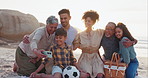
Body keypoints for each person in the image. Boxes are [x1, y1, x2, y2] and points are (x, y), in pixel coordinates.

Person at [73, 10, 104, 78]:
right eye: (86, 21)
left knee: (100, 74)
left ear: (93, 22)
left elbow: (111, 34)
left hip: (96, 57)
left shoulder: (99, 32)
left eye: (89, 21)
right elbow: (74, 47)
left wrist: (132, 41)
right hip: (85, 57)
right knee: (86, 74)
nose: (87, 23)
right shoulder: (80, 35)